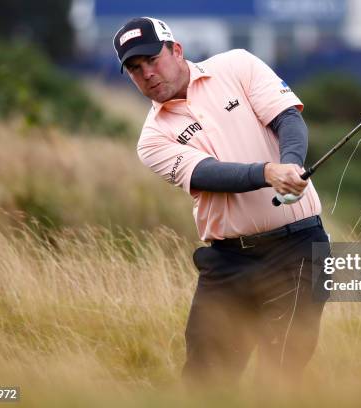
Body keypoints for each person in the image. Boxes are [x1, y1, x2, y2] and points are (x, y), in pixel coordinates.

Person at [113, 17, 330, 385]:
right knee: (204, 381)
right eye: (135, 68)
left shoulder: (237, 65)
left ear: (176, 50)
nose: (147, 73)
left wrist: (290, 165)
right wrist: (268, 173)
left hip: (299, 249)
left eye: (152, 59)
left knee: (278, 376)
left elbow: (287, 119)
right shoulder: (152, 140)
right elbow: (207, 173)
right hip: (229, 262)